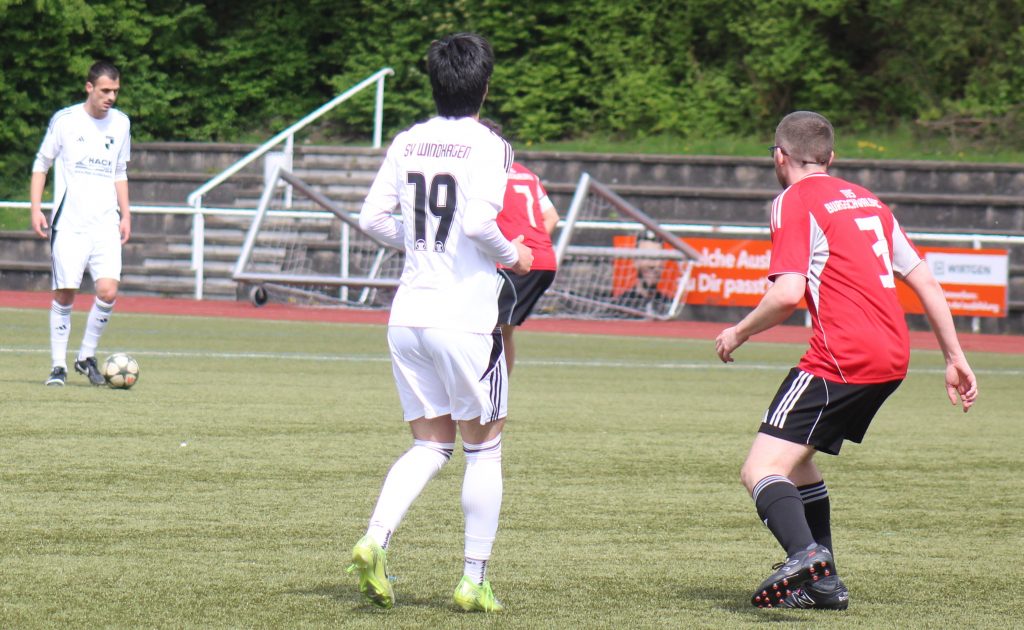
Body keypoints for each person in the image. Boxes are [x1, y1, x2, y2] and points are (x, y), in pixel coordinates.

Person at [714, 111, 977, 610]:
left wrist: (737, 332)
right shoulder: (868, 201)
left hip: (842, 357)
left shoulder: (793, 200)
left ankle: (806, 556)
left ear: (779, 156)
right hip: (893, 358)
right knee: (798, 461)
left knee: (760, 469)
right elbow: (923, 279)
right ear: (831, 158)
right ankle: (823, 585)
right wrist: (954, 357)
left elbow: (787, 293)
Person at [351, 32, 533, 613]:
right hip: (465, 317)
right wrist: (514, 255)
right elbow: (478, 224)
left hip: (408, 315)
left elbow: (371, 217)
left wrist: (421, 242)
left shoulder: (408, 140)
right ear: (485, 86)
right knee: (485, 449)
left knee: (430, 444)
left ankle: (375, 538)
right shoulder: (489, 145)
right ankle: (473, 578)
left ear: (434, 82)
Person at [30, 60, 131, 387]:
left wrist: (126, 214)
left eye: (115, 91)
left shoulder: (121, 123)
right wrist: (36, 208)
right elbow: (42, 164)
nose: (111, 97)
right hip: (70, 225)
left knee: (108, 291)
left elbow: (119, 171)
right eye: (105, 90)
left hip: (105, 224)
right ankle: (58, 366)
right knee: (65, 294)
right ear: (90, 88)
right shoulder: (66, 120)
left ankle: (86, 356)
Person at [480, 119, 559, 373]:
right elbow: (552, 217)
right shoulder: (526, 174)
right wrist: (532, 246)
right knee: (502, 330)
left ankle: (487, 390)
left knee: (483, 328)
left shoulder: (485, 173)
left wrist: (515, 250)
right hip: (542, 260)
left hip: (512, 264)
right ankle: (495, 390)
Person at [614, 231, 673, 317]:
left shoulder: (670, 308)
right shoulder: (619, 307)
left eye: (657, 257)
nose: (651, 264)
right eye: (646, 257)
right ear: (635, 261)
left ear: (663, 262)